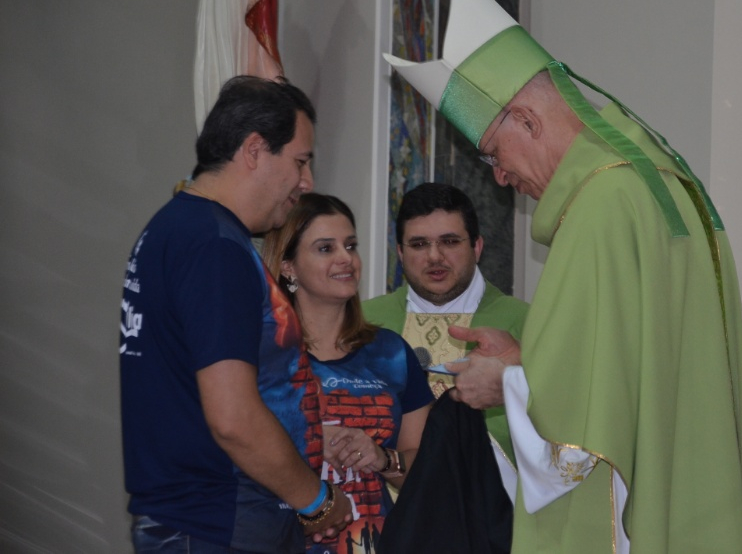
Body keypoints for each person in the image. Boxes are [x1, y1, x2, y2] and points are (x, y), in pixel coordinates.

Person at [383, 0, 742, 553]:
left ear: (529, 120)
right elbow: (632, 370)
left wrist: (508, 383)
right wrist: (527, 360)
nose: (503, 177)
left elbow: (581, 435)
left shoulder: (600, 206)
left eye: (493, 155)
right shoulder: (660, 180)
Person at [119, 76, 351, 553]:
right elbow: (233, 416)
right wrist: (319, 502)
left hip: (194, 520)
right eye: (300, 161)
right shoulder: (215, 248)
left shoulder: (174, 227)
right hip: (215, 523)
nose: (306, 182)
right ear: (254, 149)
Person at [261, 193, 434, 554]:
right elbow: (232, 447)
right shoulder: (261, 353)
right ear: (288, 266)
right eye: (326, 248)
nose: (346, 259)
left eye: (350, 245)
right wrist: (305, 441)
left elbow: (428, 472)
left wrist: (383, 458)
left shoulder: (391, 353)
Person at [363, 182, 528, 481]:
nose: (434, 257)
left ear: (477, 247)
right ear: (400, 252)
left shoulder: (525, 322)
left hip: (492, 510)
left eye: (450, 241)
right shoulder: (366, 322)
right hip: (383, 513)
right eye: (419, 244)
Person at [159, 0, 283, 134]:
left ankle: (232, 124)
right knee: (209, 57)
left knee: (230, 53)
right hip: (211, 2)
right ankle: (212, 125)